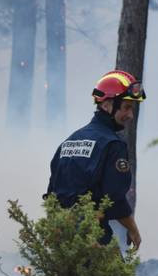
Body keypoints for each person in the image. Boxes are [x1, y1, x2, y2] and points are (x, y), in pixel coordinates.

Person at [46, 69, 145, 249]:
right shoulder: (114, 145)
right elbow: (114, 198)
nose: (130, 115)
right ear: (107, 105)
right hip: (94, 242)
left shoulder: (69, 142)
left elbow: (52, 196)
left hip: (60, 242)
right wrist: (133, 229)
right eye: (127, 107)